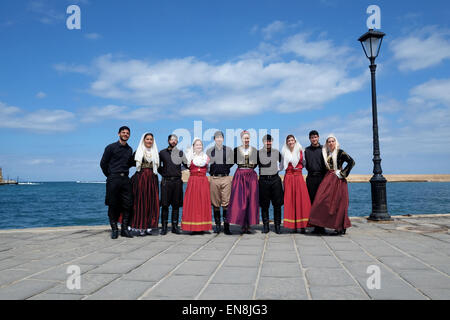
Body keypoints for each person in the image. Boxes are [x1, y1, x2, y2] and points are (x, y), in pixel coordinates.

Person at [308, 134, 355, 235]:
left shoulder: (340, 152)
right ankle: (320, 225)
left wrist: (342, 173)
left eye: (332, 141)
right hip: (328, 179)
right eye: (329, 141)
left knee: (339, 203)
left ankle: (340, 227)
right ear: (326, 143)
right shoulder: (326, 153)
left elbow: (352, 162)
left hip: (338, 180)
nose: (331, 143)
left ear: (336, 142)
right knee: (321, 201)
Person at [100, 126, 134, 239]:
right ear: (118, 134)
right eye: (123, 132)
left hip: (125, 179)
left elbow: (129, 163)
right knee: (112, 204)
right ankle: (114, 229)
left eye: (127, 133)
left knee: (128, 205)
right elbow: (103, 164)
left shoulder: (129, 149)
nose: (125, 134)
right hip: (113, 179)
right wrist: (110, 175)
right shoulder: (110, 147)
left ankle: (124, 229)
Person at [228, 130, 259, 234]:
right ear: (241, 139)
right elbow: (230, 162)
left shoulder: (254, 150)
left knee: (251, 199)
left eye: (248, 138)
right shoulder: (236, 150)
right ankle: (241, 223)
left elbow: (256, 163)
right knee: (241, 200)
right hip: (240, 175)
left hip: (251, 175)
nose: (246, 140)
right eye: (244, 138)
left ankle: (249, 225)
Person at [129, 132, 160, 237]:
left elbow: (159, 167)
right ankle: (140, 226)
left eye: (151, 139)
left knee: (151, 202)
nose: (149, 141)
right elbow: (129, 163)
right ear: (143, 140)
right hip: (141, 178)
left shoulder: (155, 152)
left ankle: (149, 226)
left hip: (152, 179)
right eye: (147, 139)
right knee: (140, 202)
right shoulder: (138, 152)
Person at [181, 138, 213, 234]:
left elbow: (209, 169)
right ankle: (193, 227)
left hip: (203, 181)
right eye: (197, 145)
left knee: (203, 203)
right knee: (193, 203)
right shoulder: (189, 157)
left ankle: (202, 226)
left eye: (200, 145)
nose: (199, 146)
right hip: (193, 182)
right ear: (193, 146)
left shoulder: (206, 158)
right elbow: (182, 167)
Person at [158, 134, 187, 235]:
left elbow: (186, 165)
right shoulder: (162, 153)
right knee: (165, 205)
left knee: (176, 205)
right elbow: (157, 166)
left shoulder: (180, 153)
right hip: (166, 181)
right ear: (168, 140)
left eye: (175, 140)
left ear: (177, 142)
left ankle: (175, 226)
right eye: (172, 139)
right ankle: (164, 227)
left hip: (177, 181)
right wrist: (164, 173)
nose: (174, 141)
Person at [282, 135, 311, 233]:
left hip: (298, 177)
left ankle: (302, 225)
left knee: (301, 200)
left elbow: (305, 163)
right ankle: (293, 225)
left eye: (292, 140)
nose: (290, 142)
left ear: (295, 141)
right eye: (288, 140)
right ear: (287, 142)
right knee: (291, 201)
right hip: (289, 177)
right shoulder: (284, 152)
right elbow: (281, 165)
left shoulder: (300, 151)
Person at [206, 131, 234, 235]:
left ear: (223, 139)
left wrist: (225, 168)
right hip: (214, 178)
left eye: (221, 137)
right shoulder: (209, 151)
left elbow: (231, 162)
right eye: (217, 137)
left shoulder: (228, 150)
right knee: (215, 203)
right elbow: (206, 164)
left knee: (226, 203)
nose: (219, 139)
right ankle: (217, 226)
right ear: (214, 139)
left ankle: (226, 227)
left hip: (226, 178)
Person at [257, 134, 283, 234]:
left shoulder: (276, 152)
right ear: (263, 142)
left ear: (272, 142)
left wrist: (278, 169)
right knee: (264, 205)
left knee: (277, 204)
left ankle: (277, 226)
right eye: (266, 141)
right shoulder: (258, 153)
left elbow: (284, 162)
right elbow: (253, 164)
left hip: (275, 180)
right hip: (263, 181)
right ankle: (266, 226)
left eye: (270, 141)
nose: (268, 143)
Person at [304, 130, 327, 234]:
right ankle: (315, 225)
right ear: (310, 139)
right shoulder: (307, 150)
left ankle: (322, 226)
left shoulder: (324, 149)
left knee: (321, 202)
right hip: (311, 178)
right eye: (312, 137)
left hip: (322, 177)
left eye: (315, 137)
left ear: (318, 137)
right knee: (312, 202)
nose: (314, 139)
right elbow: (306, 164)